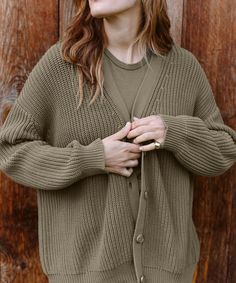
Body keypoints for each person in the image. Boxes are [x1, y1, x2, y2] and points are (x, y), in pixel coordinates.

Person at [0, 0, 235, 282]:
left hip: (168, 274)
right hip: (85, 274)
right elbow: (10, 148)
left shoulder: (183, 68)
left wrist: (173, 132)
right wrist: (92, 158)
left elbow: (224, 149)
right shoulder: (62, 66)